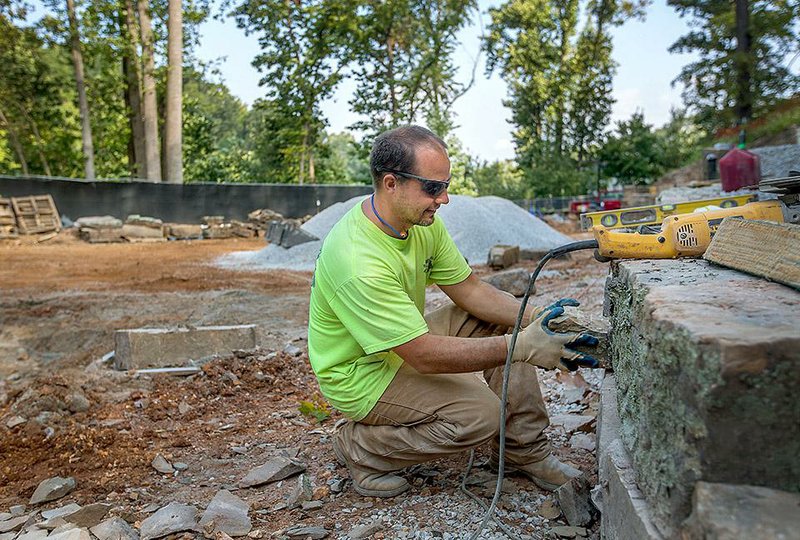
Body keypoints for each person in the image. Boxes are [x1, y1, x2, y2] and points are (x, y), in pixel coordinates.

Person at [307, 125, 598, 498]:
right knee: (480, 415)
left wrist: (536, 315)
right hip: (361, 374)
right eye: (433, 187)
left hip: (396, 345)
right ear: (392, 183)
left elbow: (471, 291)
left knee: (505, 318)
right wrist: (522, 346)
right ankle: (362, 447)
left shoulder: (418, 222)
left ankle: (523, 452)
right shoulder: (358, 261)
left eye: (446, 185)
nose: (444, 199)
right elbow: (423, 355)